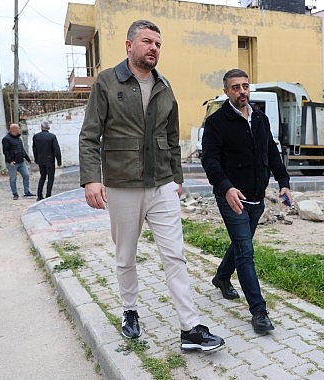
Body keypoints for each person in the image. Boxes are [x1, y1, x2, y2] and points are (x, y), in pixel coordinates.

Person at [79, 19, 224, 352]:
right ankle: (130, 311)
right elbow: (89, 136)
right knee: (126, 255)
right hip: (121, 185)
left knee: (175, 256)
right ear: (129, 46)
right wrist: (91, 179)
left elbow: (172, 138)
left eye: (158, 44)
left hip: (161, 185)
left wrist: (177, 178)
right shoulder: (106, 82)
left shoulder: (164, 86)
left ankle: (190, 328)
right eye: (147, 42)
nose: (153, 49)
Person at [201, 69, 293, 334]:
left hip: (256, 196)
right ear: (227, 91)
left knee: (242, 245)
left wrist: (283, 183)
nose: (242, 91)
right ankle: (259, 312)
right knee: (246, 252)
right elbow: (210, 160)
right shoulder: (217, 122)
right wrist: (227, 188)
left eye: (245, 86)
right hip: (232, 198)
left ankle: (221, 278)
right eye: (235, 87)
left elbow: (272, 153)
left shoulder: (260, 119)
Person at [2, 123, 35, 200]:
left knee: (26, 175)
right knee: (13, 178)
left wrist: (28, 159)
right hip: (12, 163)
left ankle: (27, 192)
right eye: (18, 128)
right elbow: (5, 151)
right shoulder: (6, 139)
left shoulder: (18, 138)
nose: (19, 130)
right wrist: (10, 161)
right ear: (14, 130)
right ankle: (15, 194)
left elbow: (22, 150)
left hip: (21, 161)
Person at [32, 121, 62, 200]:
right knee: (50, 178)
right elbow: (56, 150)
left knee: (42, 177)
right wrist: (59, 161)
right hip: (50, 160)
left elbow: (34, 149)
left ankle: (39, 195)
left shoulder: (36, 137)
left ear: (41, 127)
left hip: (41, 160)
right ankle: (48, 195)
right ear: (48, 127)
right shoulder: (52, 137)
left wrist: (36, 159)